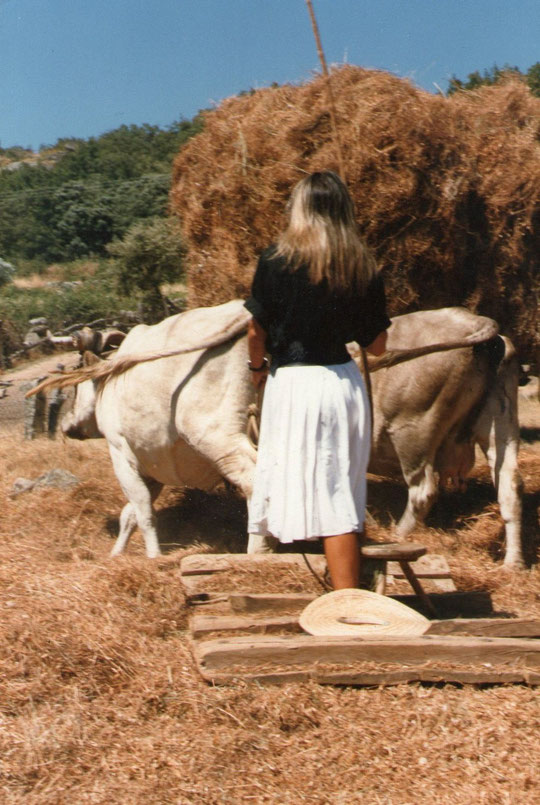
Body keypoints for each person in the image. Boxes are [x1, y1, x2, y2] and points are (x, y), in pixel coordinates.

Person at [244, 171, 390, 590]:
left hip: (292, 384)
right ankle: (343, 586)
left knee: (317, 488)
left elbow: (256, 332)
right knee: (339, 482)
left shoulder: (274, 260)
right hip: (341, 384)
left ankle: (346, 599)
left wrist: (257, 371)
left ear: (299, 209)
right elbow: (377, 345)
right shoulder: (362, 264)